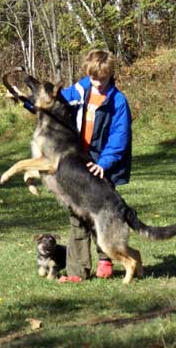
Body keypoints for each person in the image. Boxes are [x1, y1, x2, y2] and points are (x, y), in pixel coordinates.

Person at [56, 49, 133, 283]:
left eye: (102, 78)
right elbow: (55, 102)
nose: (97, 83)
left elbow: (119, 137)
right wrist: (29, 103)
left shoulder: (118, 101)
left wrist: (104, 164)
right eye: (93, 78)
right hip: (78, 164)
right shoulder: (81, 90)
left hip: (101, 166)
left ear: (111, 75)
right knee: (77, 215)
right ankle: (77, 271)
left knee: (104, 216)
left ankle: (106, 259)